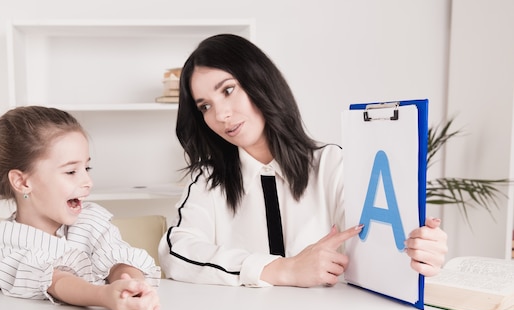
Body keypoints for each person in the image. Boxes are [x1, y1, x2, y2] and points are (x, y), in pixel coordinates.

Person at [158, 34, 448, 288]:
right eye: (205, 106)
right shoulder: (209, 180)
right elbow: (176, 252)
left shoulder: (332, 164)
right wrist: (283, 270)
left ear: (258, 80)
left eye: (228, 90)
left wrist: (419, 252)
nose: (220, 115)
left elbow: (381, 241)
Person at [0, 106, 160, 310]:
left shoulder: (89, 221)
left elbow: (118, 256)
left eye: (87, 168)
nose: (88, 182)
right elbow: (56, 280)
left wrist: (132, 287)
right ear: (22, 182)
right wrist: (105, 296)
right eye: (71, 171)